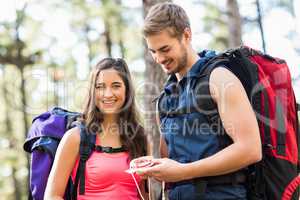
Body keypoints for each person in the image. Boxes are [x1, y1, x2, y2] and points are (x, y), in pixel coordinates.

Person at [136, 2, 262, 200]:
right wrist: (153, 166)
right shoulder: (165, 98)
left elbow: (251, 149)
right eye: (153, 51)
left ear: (187, 35)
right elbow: (170, 162)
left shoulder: (219, 78)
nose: (159, 58)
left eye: (165, 49)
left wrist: (183, 171)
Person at [44, 58, 148, 200]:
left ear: (127, 90)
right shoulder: (75, 137)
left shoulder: (140, 137)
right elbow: (52, 196)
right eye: (100, 87)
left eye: (116, 86)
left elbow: (145, 195)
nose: (107, 94)